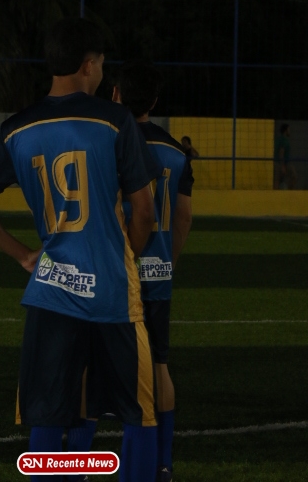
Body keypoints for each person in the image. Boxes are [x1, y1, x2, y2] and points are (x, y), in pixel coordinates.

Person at [0, 18, 160, 482]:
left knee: (49, 411)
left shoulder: (17, 128)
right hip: (111, 291)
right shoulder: (114, 120)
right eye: (101, 64)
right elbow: (144, 211)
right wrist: (124, 254)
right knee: (138, 411)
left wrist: (22, 254)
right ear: (88, 65)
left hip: (52, 288)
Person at [113, 62, 193, 482]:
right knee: (159, 364)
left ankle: (77, 462)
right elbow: (183, 218)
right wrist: (168, 261)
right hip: (157, 272)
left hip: (114, 272)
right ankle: (162, 463)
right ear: (155, 101)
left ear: (116, 94)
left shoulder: (109, 141)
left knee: (92, 365)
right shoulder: (176, 152)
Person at [274, 123, 296, 189]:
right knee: (294, 176)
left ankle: (276, 193)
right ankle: (289, 191)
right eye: (288, 130)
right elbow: (281, 152)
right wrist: (283, 165)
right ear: (285, 131)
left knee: (277, 179)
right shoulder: (284, 140)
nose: (289, 131)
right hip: (284, 162)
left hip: (277, 162)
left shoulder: (278, 139)